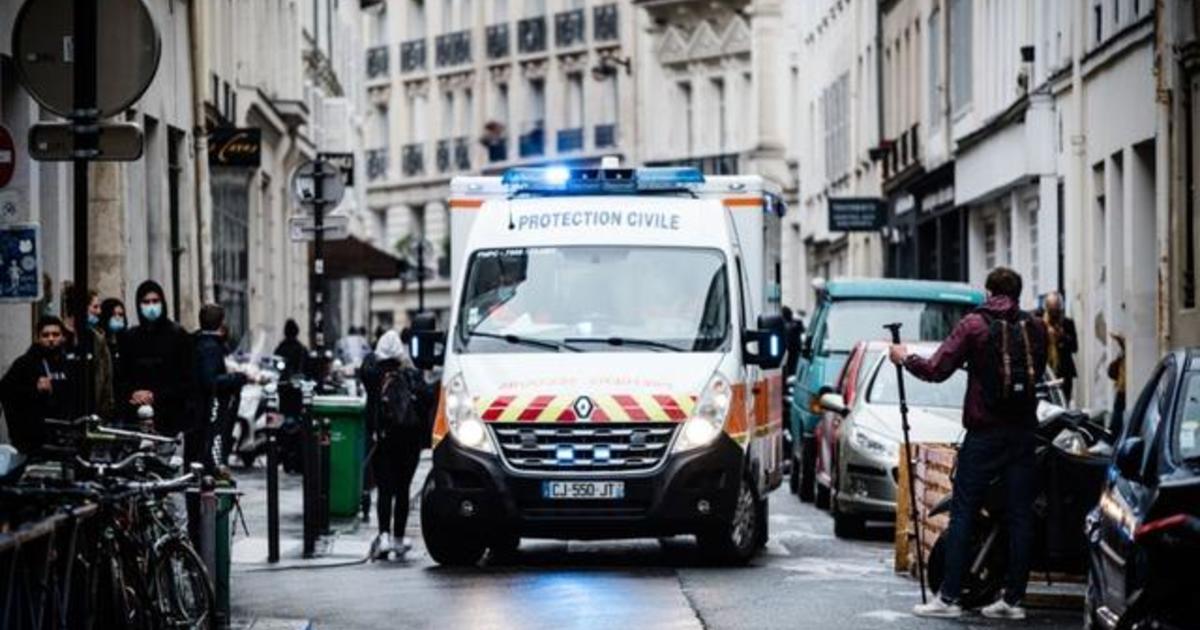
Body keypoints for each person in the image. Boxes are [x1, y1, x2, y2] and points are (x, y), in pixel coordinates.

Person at [888, 267, 1047, 620]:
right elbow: (1039, 369)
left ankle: (949, 598)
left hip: (985, 435)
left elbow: (936, 369)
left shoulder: (974, 325)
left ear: (989, 291)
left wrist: (905, 358)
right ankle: (1013, 601)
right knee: (1020, 516)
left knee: (963, 512)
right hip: (1023, 434)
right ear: (1018, 293)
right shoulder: (1036, 327)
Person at [362, 329, 424, 558]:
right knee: (403, 491)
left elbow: (365, 366)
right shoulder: (410, 375)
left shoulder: (373, 375)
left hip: (383, 439)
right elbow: (425, 399)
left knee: (385, 490)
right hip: (408, 442)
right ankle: (398, 538)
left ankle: (384, 536)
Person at [120, 280, 195, 434]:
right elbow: (121, 375)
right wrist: (133, 393)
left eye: (155, 301)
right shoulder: (130, 338)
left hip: (170, 417)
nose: (151, 306)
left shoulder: (178, 336)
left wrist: (155, 396)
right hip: (135, 418)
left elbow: (186, 379)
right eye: (146, 302)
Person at [0, 317, 77, 453]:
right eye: (45, 335)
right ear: (37, 338)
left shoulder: (70, 363)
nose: (51, 339)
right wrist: (34, 389)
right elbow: (7, 393)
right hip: (34, 440)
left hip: (64, 435)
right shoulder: (24, 364)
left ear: (63, 337)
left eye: (56, 334)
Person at [194, 304, 249, 469]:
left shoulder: (203, 342)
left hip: (204, 408)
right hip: (212, 409)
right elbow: (211, 380)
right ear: (220, 322)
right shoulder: (210, 347)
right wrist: (237, 378)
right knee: (213, 448)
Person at [1035, 292, 1078, 403]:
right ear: (1046, 308)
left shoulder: (1067, 323)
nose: (1054, 312)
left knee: (1064, 401)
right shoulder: (1040, 323)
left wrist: (1062, 336)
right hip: (1046, 370)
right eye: (1051, 309)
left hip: (1064, 371)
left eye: (1056, 308)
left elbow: (1074, 347)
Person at [1107, 332, 1127, 436]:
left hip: (1124, 388)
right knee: (1117, 414)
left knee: (1118, 415)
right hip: (1121, 387)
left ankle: (1114, 435)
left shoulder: (1127, 352)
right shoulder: (1123, 353)